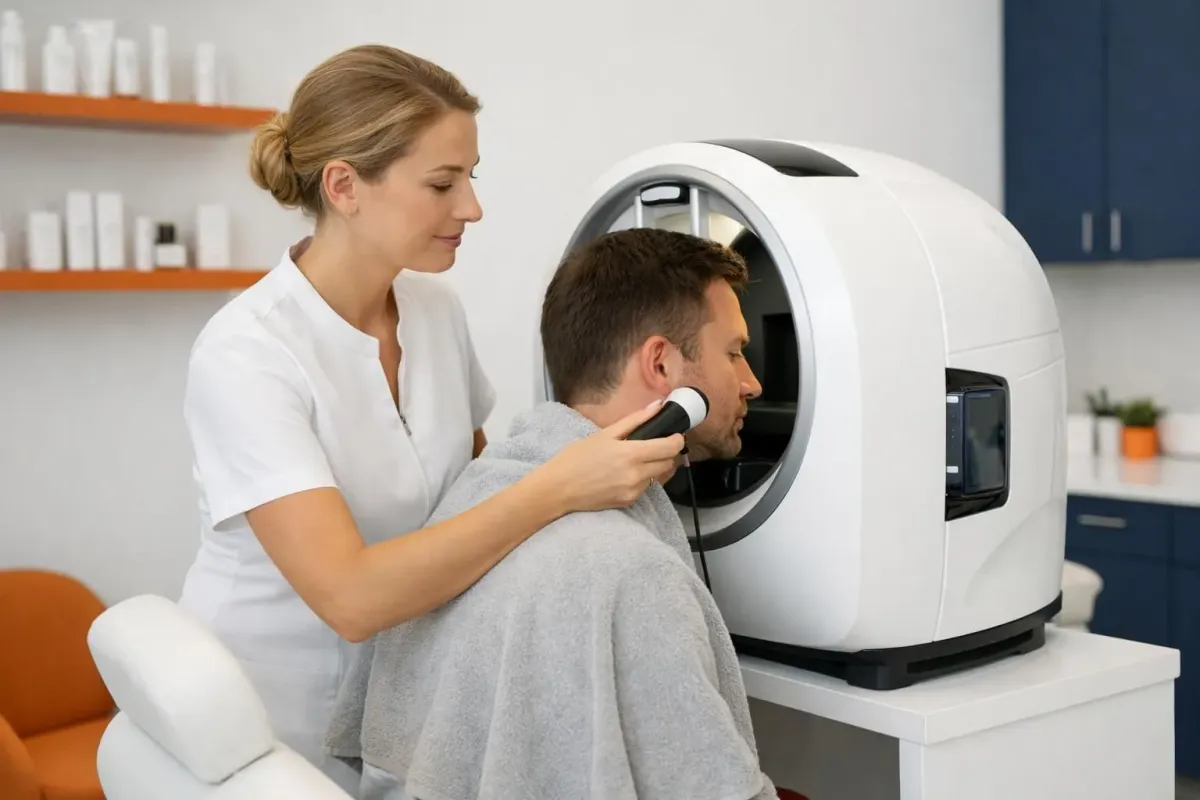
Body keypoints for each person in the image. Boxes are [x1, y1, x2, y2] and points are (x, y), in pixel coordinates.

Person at [174, 45, 684, 793]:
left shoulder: (435, 314)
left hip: (404, 699)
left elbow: (475, 496)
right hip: (270, 733)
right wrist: (560, 487)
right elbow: (350, 598)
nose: (471, 208)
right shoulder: (247, 354)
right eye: (442, 183)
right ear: (345, 186)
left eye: (470, 178)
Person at [325, 227, 787, 800]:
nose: (752, 382)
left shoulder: (480, 490)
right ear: (662, 366)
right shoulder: (632, 572)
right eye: (735, 352)